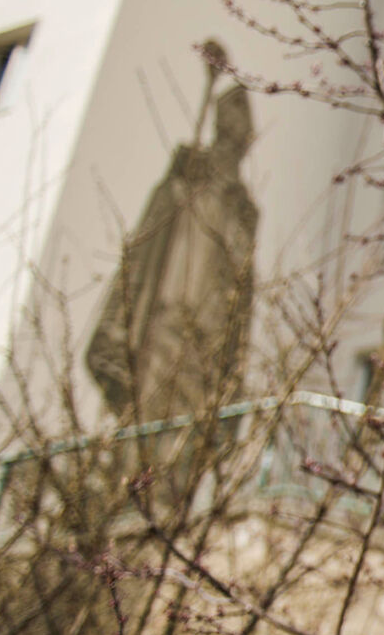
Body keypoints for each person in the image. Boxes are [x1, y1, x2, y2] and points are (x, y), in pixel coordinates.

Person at [84, 46, 259, 426]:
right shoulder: (190, 174)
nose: (237, 135)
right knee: (144, 417)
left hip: (205, 335)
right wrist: (179, 185)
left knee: (184, 426)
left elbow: (242, 279)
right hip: (166, 314)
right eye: (230, 125)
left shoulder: (243, 207)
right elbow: (154, 229)